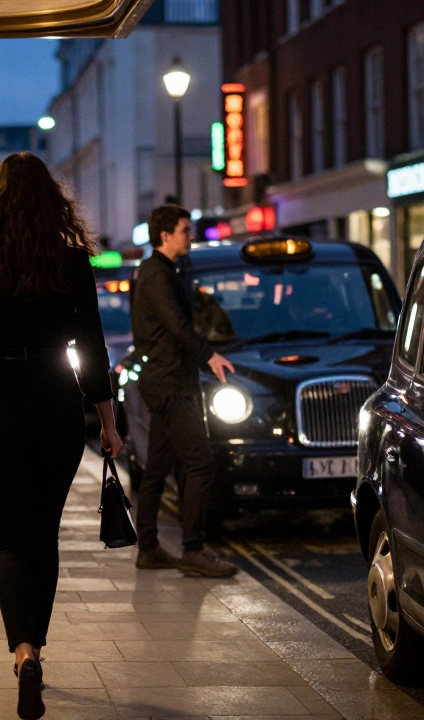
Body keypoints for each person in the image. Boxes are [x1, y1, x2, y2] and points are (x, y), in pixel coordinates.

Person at [0, 151, 123, 720]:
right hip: (55, 403)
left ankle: (22, 652)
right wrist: (107, 421)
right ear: (51, 201)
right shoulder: (70, 261)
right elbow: (90, 345)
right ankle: (38, 644)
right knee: (44, 534)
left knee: (8, 538)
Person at [129, 204, 239, 578]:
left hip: (164, 381)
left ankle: (148, 548)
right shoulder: (157, 275)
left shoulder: (156, 271)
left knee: (156, 469)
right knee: (200, 463)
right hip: (171, 384)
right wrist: (210, 357)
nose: (189, 235)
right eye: (184, 230)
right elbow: (177, 327)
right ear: (165, 235)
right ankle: (193, 549)